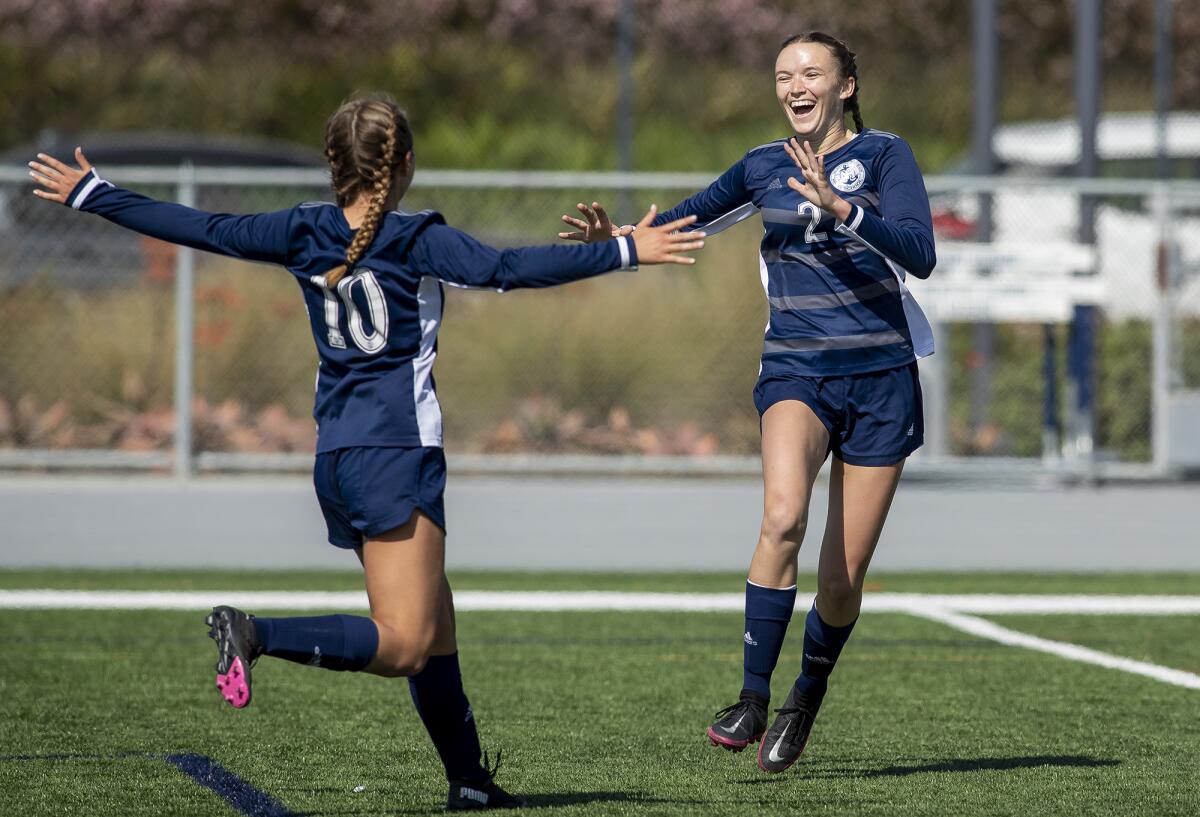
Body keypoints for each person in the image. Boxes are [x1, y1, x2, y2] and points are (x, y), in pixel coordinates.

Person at [29, 94, 704, 809]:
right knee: (407, 641)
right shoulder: (416, 239)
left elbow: (202, 227)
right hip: (396, 454)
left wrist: (94, 192)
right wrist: (626, 249)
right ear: (405, 164)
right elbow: (506, 266)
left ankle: (470, 782)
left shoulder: (300, 229)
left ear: (332, 166)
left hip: (338, 458)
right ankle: (256, 632)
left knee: (434, 624)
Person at [559, 31, 936, 774]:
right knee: (782, 514)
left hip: (882, 377)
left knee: (843, 576)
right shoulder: (763, 164)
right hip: (796, 367)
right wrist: (618, 241)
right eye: (782, 75)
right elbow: (688, 220)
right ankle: (752, 695)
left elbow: (920, 251)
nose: (795, 85)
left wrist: (843, 208)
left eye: (811, 73)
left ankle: (804, 698)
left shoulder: (888, 156)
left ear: (846, 85)